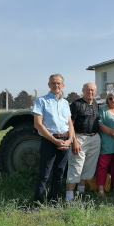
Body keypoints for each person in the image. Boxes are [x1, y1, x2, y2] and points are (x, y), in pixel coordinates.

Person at [32, 74, 74, 205]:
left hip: (65, 140)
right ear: (49, 85)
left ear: (63, 86)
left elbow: (69, 123)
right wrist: (54, 140)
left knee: (59, 172)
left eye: (59, 83)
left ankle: (53, 200)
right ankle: (38, 202)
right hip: (49, 141)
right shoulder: (41, 101)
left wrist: (70, 140)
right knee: (44, 173)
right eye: (53, 83)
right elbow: (38, 124)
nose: (56, 85)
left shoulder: (65, 102)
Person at [65, 83, 101, 200]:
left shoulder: (95, 104)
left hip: (94, 137)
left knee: (88, 166)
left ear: (95, 92)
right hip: (79, 137)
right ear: (83, 91)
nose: (90, 92)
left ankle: (81, 191)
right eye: (87, 90)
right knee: (76, 165)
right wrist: (73, 141)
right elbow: (71, 125)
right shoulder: (76, 104)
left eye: (92, 90)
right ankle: (69, 196)